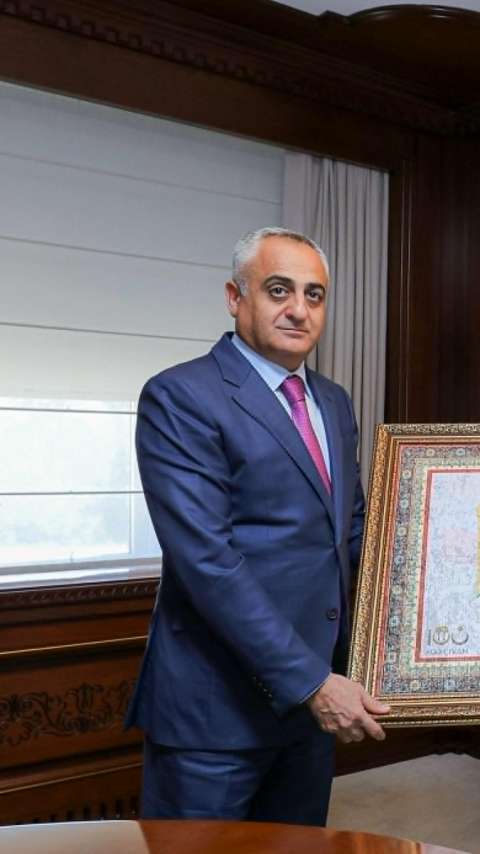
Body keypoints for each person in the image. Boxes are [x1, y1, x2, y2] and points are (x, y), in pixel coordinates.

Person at [125, 227, 389, 825]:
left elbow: (351, 531)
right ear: (234, 297)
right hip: (216, 711)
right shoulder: (181, 396)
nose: (299, 309)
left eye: (314, 294)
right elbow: (208, 564)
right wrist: (313, 683)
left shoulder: (334, 402)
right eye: (278, 290)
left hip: (309, 707)